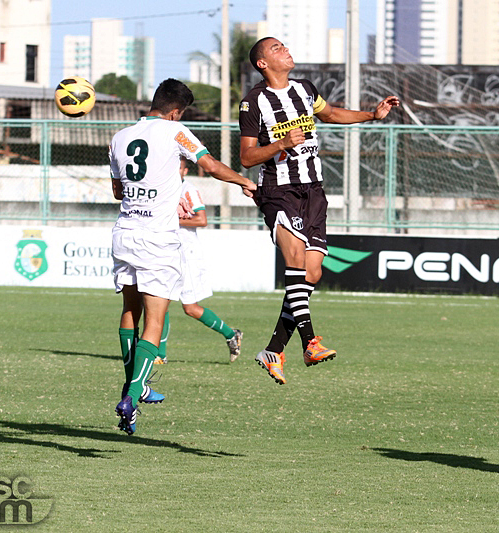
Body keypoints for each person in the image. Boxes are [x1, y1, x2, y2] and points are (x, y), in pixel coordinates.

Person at [239, 37, 399, 385]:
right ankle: (310, 341)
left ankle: (272, 350)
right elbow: (247, 157)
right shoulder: (253, 102)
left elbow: (331, 114)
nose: (286, 50)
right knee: (295, 260)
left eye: (285, 45)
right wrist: (281, 143)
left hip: (314, 190)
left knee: (311, 274)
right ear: (263, 63)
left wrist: (372, 114)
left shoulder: (305, 89)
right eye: (277, 49)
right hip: (278, 190)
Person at [110, 78, 255, 435]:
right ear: (176, 112)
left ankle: (136, 384)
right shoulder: (176, 132)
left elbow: (117, 190)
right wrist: (244, 182)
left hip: (124, 232)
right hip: (158, 239)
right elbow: (212, 165)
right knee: (155, 323)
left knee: (130, 311)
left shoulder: (120, 136)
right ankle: (131, 393)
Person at [152, 158, 243, 365]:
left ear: (185, 170)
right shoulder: (162, 190)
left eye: (178, 168)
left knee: (190, 308)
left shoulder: (188, 189)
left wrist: (174, 220)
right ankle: (160, 354)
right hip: (167, 250)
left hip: (186, 253)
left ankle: (231, 334)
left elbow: (202, 219)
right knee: (161, 303)